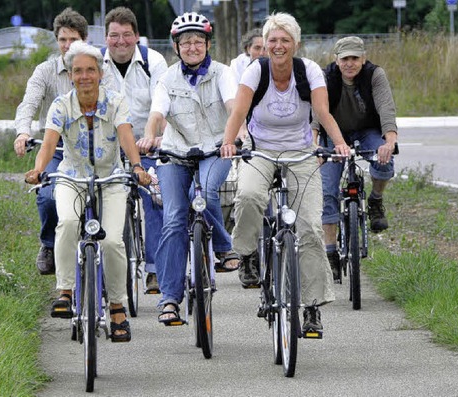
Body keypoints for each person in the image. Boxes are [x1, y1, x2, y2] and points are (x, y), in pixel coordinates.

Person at [219, 12, 349, 334]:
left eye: (285, 40)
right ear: (265, 45)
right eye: (273, 41)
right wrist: (228, 142)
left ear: (296, 44)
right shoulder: (255, 71)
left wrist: (340, 144)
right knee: (248, 195)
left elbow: (322, 112)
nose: (278, 46)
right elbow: (239, 111)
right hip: (260, 150)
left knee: (309, 228)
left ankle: (313, 306)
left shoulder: (309, 72)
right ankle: (247, 252)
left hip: (301, 153)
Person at [24, 41, 151, 342]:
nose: (84, 76)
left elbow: (126, 134)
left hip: (110, 178)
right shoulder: (61, 105)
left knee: (112, 242)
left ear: (100, 73)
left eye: (90, 70)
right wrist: (38, 170)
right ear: (70, 75)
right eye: (77, 71)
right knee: (67, 223)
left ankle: (117, 307)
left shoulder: (116, 101)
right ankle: (65, 291)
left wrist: (136, 166)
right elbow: (48, 142)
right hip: (72, 177)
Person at [137, 12, 238, 325]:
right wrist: (150, 135)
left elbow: (233, 107)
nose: (192, 47)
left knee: (207, 192)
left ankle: (223, 245)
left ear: (208, 44)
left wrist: (237, 135)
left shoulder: (222, 73)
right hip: (175, 151)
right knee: (173, 219)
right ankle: (169, 299)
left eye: (198, 41)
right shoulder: (167, 78)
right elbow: (157, 112)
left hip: (216, 149)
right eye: (186, 42)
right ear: (176, 47)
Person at [13, 8, 88, 276]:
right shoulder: (45, 71)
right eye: (62, 40)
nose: (67, 46)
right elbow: (29, 103)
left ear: (84, 41)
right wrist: (23, 131)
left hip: (92, 148)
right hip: (55, 149)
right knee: (46, 197)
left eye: (74, 40)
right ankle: (48, 245)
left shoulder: (98, 68)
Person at [316, 36, 397, 280]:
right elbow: (316, 112)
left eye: (355, 58)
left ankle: (375, 200)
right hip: (333, 133)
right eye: (345, 59)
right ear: (336, 60)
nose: (350, 63)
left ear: (363, 59)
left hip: (367, 129)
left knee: (384, 162)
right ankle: (330, 252)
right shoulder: (326, 76)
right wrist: (314, 144)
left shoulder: (374, 75)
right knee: (327, 190)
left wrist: (390, 141)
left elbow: (386, 107)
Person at [101, 6, 169, 293]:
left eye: (127, 35)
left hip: (148, 143)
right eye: (114, 36)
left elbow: (160, 103)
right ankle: (103, 271)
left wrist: (153, 137)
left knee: (154, 198)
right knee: (100, 202)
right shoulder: (97, 64)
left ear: (137, 37)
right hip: (111, 147)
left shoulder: (154, 61)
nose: (121, 42)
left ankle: (153, 269)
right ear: (105, 38)